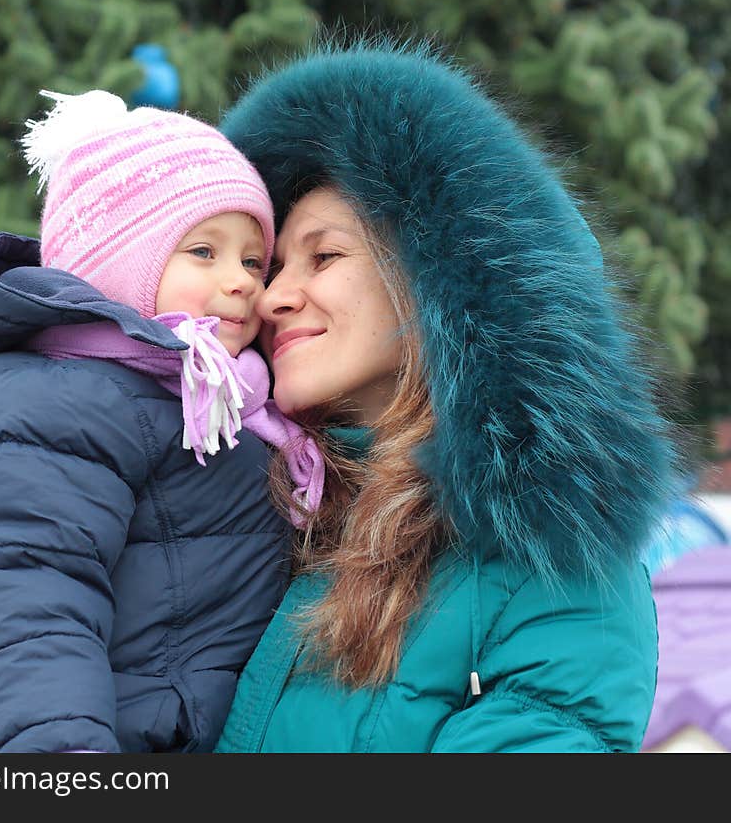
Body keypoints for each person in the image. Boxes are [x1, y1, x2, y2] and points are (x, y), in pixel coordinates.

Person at [214, 39, 681, 753]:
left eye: (325, 255)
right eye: (272, 265)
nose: (272, 296)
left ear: (438, 281)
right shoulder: (252, 508)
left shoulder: (555, 565)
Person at [0, 90, 323, 753]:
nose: (243, 282)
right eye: (204, 252)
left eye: (251, 259)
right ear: (116, 263)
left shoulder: (224, 401)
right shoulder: (50, 401)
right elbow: (34, 618)